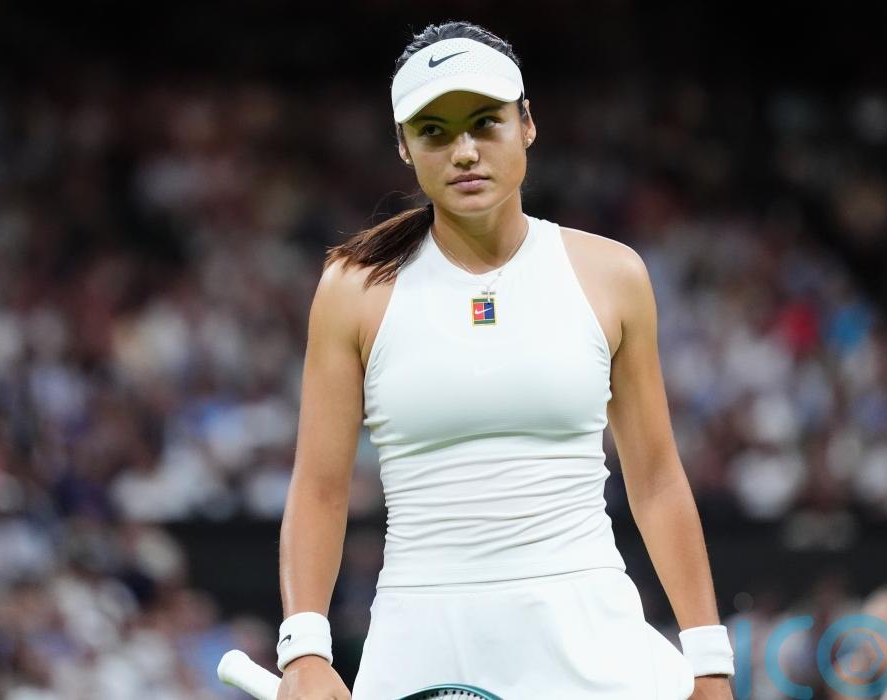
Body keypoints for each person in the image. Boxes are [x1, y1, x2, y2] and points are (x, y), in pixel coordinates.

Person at [273, 20, 736, 700]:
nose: (464, 152)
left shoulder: (613, 275)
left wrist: (709, 659)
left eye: (485, 123)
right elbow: (319, 486)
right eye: (434, 131)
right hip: (421, 644)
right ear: (404, 146)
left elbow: (657, 479)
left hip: (595, 644)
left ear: (526, 124)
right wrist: (304, 651)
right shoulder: (352, 289)